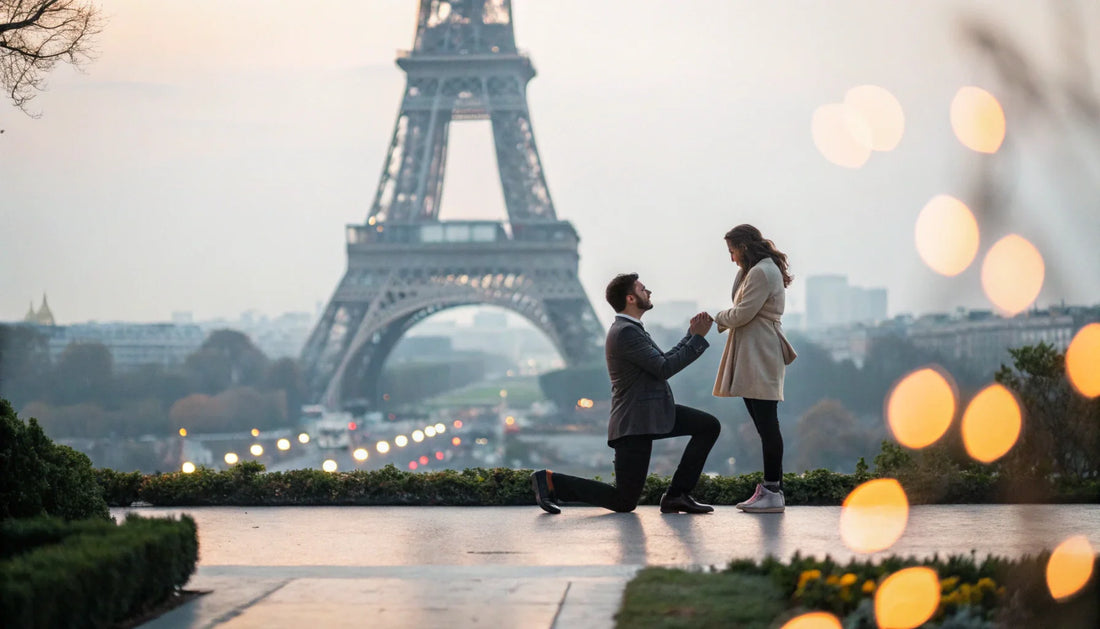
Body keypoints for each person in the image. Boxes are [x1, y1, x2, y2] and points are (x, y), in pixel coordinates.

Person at [531, 273, 721, 514]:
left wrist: (690, 335)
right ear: (630, 298)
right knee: (623, 500)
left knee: (708, 426)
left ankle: (677, 495)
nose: (649, 292)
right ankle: (550, 481)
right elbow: (664, 368)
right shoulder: (626, 332)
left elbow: (661, 361)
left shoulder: (629, 329)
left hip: (649, 414)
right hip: (636, 420)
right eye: (643, 289)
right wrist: (697, 338)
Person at [712, 224, 797, 513]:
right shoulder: (758, 269)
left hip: (759, 351)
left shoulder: (761, 271)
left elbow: (742, 312)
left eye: (732, 251)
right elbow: (743, 305)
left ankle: (773, 490)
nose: (731, 258)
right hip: (757, 350)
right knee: (764, 424)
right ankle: (772, 488)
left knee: (766, 424)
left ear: (743, 247)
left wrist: (716, 317)